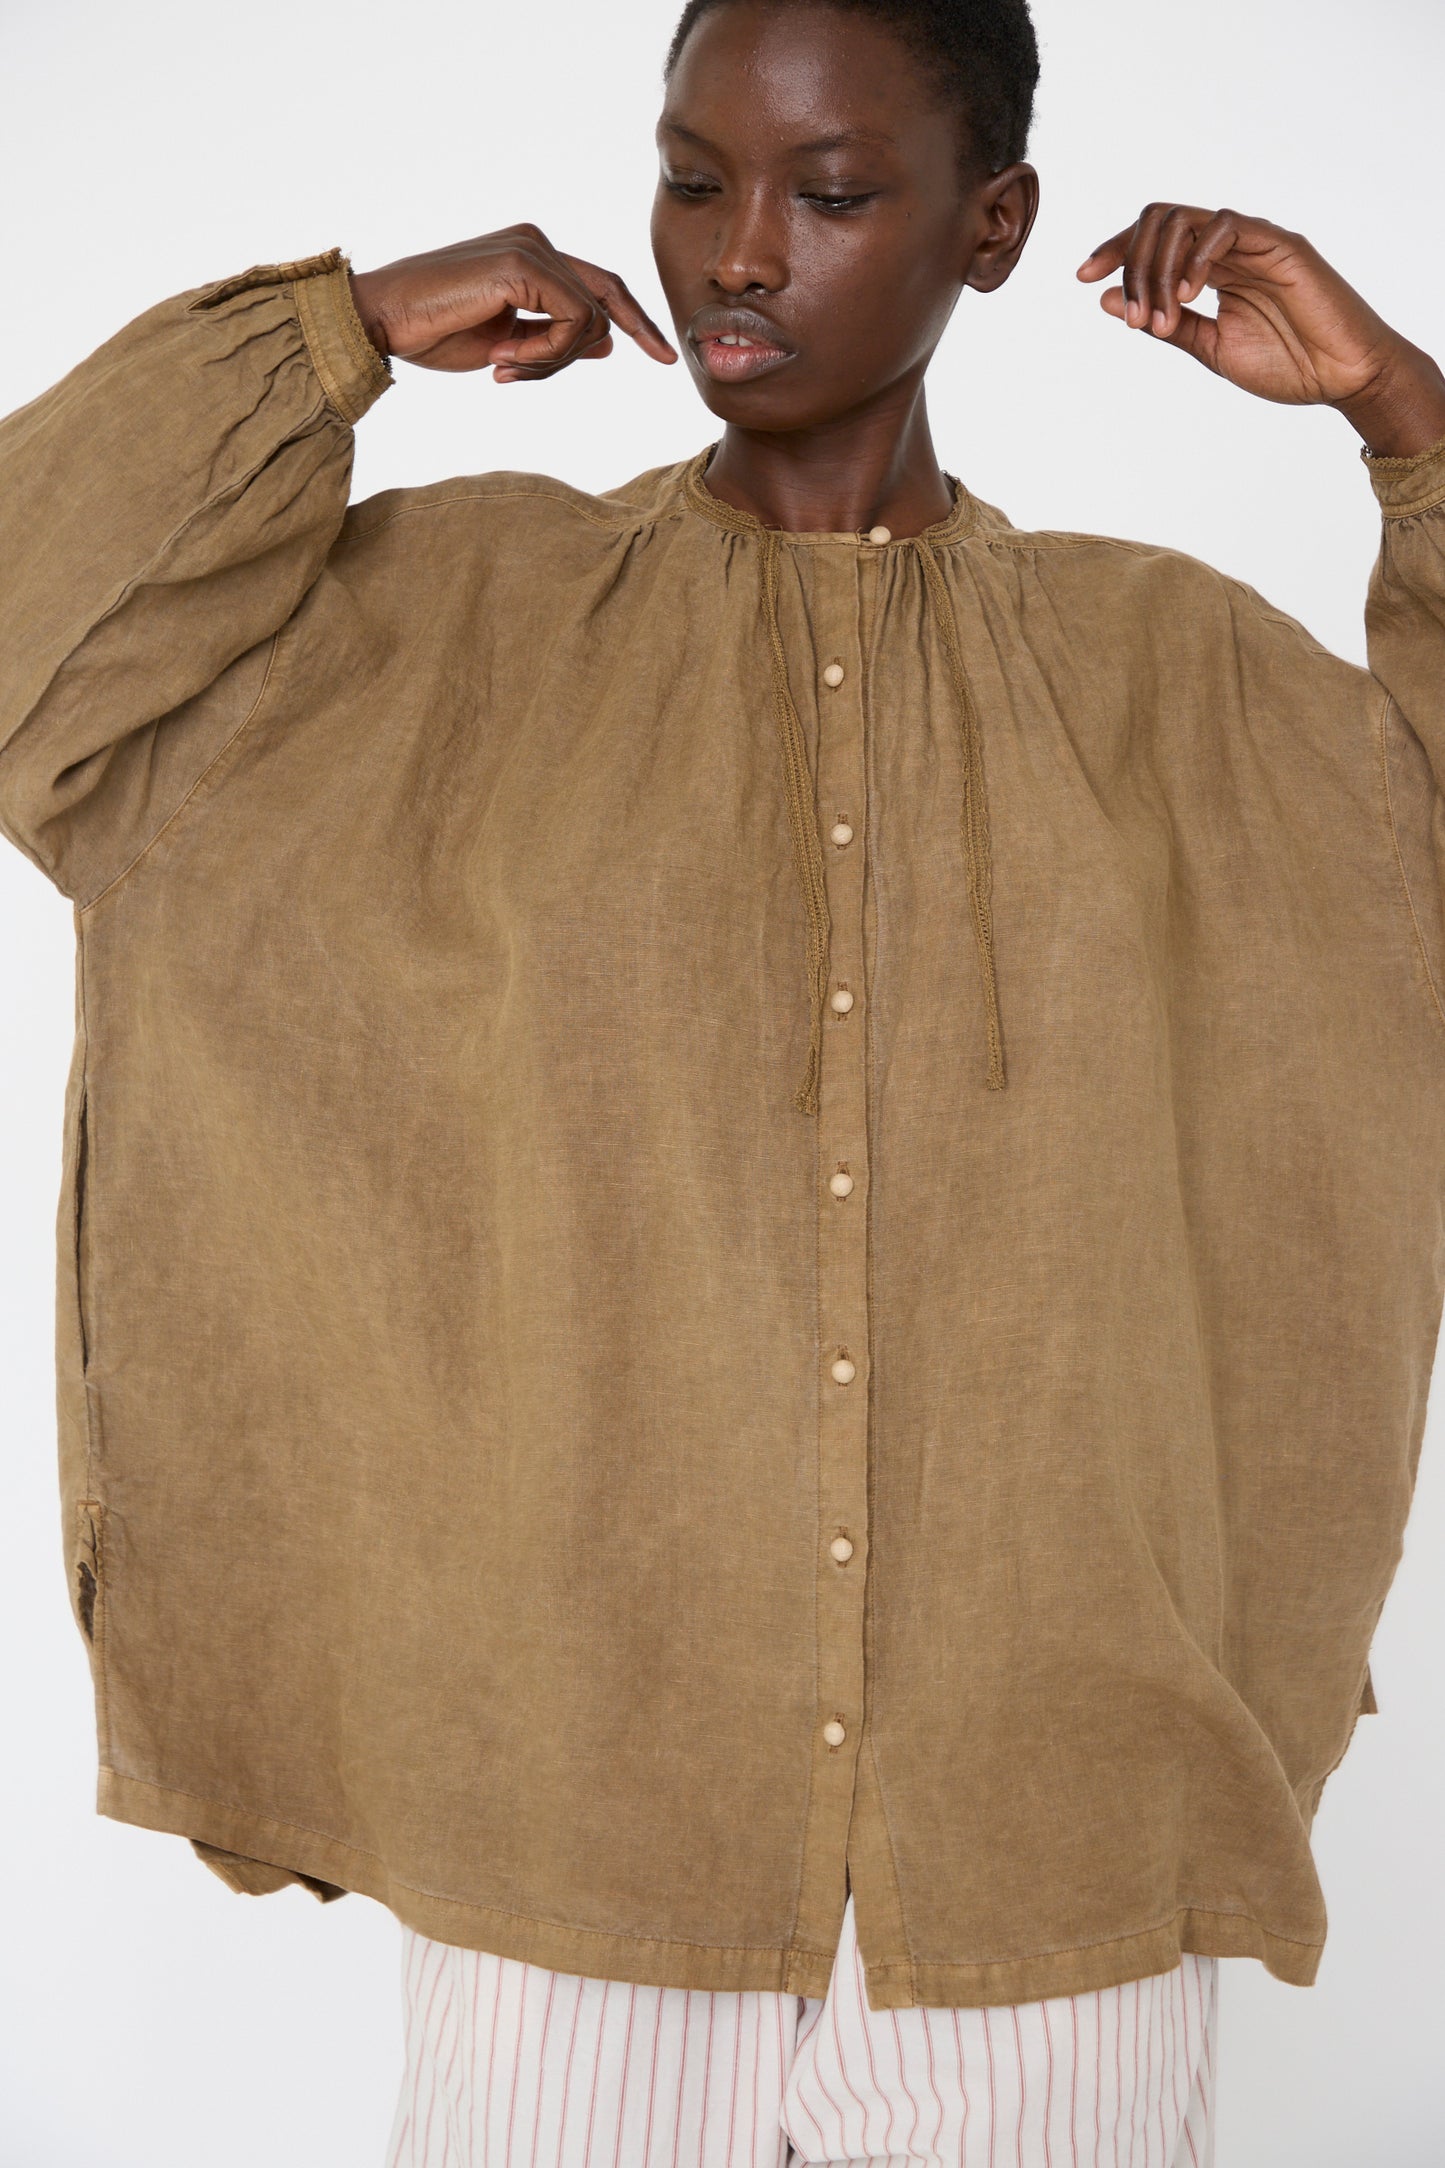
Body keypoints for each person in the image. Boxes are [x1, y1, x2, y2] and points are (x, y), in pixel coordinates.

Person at [2, 0, 1443, 2161]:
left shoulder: (1178, 683)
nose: (740, 251)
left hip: (1050, 1877)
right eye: (693, 179)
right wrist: (336, 337)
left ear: (997, 226)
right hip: (568, 1842)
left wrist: (1409, 420)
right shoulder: (433, 634)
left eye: (833, 192)